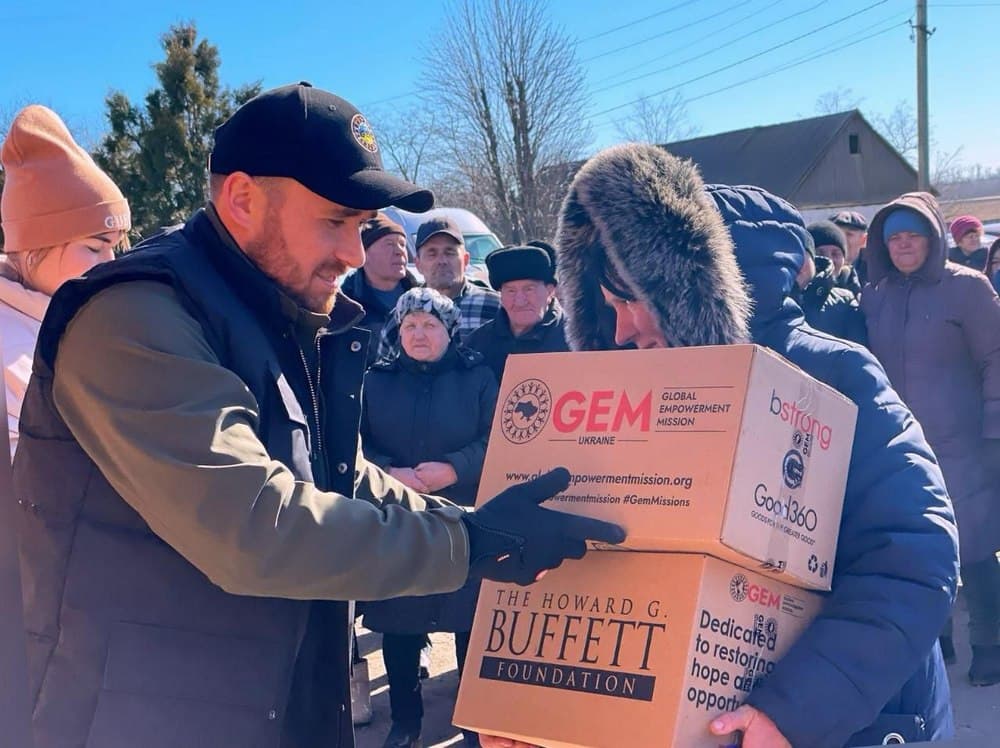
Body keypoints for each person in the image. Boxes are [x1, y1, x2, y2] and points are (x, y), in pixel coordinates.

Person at [11, 82, 623, 748]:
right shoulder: (134, 318)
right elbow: (254, 526)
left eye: (362, 228)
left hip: (261, 709)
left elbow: (339, 476)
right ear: (241, 198)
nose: (354, 254)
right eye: (334, 221)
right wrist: (467, 546)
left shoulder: (271, 310)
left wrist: (477, 526)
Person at [480, 144, 959, 748]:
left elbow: (913, 556)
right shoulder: (630, 388)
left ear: (689, 287)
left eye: (634, 300)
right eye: (608, 307)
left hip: (841, 721)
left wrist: (792, 713)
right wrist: (532, 714)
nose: (623, 330)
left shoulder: (831, 375)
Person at [862, 193, 1000, 687]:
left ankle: (990, 643)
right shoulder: (876, 293)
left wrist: (994, 429)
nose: (902, 246)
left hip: (964, 441)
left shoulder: (969, 288)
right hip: (902, 445)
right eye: (894, 237)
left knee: (977, 547)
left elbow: (995, 358)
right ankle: (936, 641)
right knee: (920, 545)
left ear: (933, 239)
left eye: (912, 236)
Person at [360, 288, 496, 748]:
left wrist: (455, 467)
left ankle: (475, 720)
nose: (420, 334)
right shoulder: (374, 380)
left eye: (430, 325)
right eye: (410, 325)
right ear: (397, 332)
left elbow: (497, 436)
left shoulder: (476, 376)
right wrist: (386, 472)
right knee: (402, 621)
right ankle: (405, 721)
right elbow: (355, 442)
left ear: (449, 330)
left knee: (468, 622)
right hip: (397, 514)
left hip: (463, 513)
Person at [0, 105, 129, 455]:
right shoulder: (12, 351)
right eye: (94, 247)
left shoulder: (68, 324)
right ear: (32, 248)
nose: (109, 264)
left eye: (114, 248)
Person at [378, 216, 500, 358]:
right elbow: (383, 374)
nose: (442, 261)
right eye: (432, 253)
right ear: (418, 264)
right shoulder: (401, 317)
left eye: (449, 252)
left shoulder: (494, 307)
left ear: (465, 260)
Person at [464, 245, 568, 381]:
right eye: (511, 291)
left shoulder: (578, 338)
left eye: (529, 289)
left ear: (550, 291)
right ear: (500, 295)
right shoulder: (477, 344)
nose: (520, 301)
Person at [341, 213, 419, 366]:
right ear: (364, 253)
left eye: (402, 244)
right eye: (389, 244)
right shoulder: (345, 309)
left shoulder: (422, 300)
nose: (400, 251)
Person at [793, 221, 866, 345]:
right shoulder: (791, 294)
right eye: (820, 253)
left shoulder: (848, 301)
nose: (829, 260)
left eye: (835, 253)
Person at [829, 209, 868, 290]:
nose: (842, 239)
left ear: (864, 240)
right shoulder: (820, 266)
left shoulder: (874, 271)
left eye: (849, 234)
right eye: (837, 233)